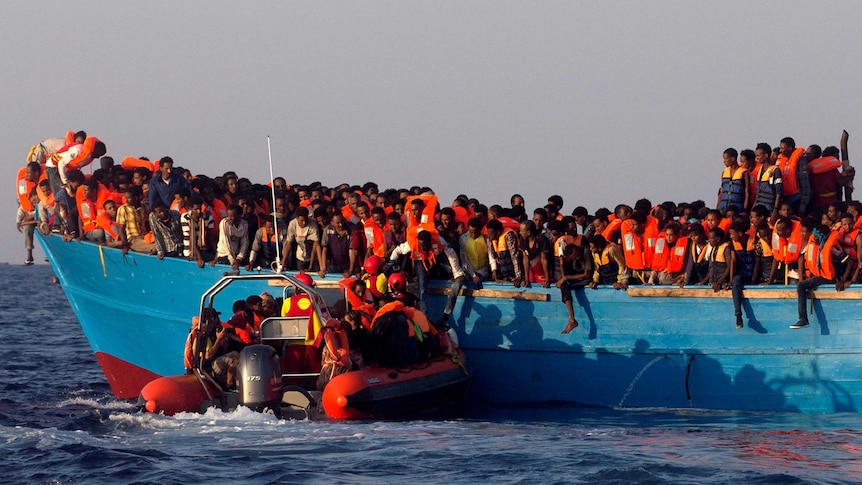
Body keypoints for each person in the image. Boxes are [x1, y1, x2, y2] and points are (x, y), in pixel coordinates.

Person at [389, 228, 466, 326]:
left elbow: (451, 254)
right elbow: (397, 251)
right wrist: (391, 263)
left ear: (430, 242)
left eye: (425, 245)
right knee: (422, 288)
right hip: (420, 259)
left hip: (437, 257)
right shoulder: (411, 244)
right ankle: (425, 318)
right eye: (421, 245)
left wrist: (457, 273)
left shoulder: (439, 241)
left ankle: (443, 316)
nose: (423, 247)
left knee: (451, 276)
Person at [791, 224, 856, 329]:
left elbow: (849, 261)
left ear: (822, 236)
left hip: (831, 278)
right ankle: (803, 319)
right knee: (803, 285)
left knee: (801, 285)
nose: (814, 239)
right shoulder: (820, 245)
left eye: (816, 237)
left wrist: (843, 280)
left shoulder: (832, 247)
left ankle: (803, 319)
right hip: (823, 276)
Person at [558, 237, 593, 333]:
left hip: (587, 278)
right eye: (574, 257)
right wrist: (561, 264)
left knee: (565, 282)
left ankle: (573, 320)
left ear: (577, 250)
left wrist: (565, 278)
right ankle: (572, 319)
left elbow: (587, 275)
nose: (577, 258)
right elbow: (563, 266)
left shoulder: (585, 252)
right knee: (564, 285)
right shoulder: (570, 258)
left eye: (577, 255)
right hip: (578, 278)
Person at [728, 221, 756, 328]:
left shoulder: (754, 240)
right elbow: (733, 261)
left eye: (732, 234)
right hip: (741, 274)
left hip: (754, 273)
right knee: (735, 282)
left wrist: (754, 277)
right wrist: (731, 279)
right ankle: (738, 314)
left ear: (740, 234)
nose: (731, 236)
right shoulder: (732, 243)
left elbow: (758, 260)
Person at [485, 218, 525, 287]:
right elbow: (492, 257)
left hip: (513, 274)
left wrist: (518, 277)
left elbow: (514, 256)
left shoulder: (508, 236)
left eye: (491, 234)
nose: (489, 236)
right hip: (503, 275)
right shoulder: (491, 240)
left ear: (497, 232)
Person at [117, 186, 156, 255]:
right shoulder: (123, 209)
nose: (126, 200)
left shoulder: (145, 207)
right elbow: (121, 229)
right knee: (156, 247)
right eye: (126, 198)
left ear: (137, 197)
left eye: (129, 198)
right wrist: (124, 244)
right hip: (132, 239)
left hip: (145, 236)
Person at [281, 206, 321, 271]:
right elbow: (289, 244)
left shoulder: (313, 225)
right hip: (300, 257)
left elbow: (316, 246)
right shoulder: (292, 224)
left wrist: (311, 267)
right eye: (301, 221)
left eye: (306, 220)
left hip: (313, 258)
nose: (304, 223)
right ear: (296, 218)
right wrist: (283, 263)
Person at [181, 195, 217, 267]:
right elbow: (192, 239)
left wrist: (217, 253)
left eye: (200, 208)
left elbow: (210, 236)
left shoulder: (207, 216)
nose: (199, 211)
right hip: (190, 252)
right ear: (190, 209)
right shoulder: (185, 217)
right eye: (196, 209)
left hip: (204, 250)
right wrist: (199, 258)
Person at [215, 204, 249, 270]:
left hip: (236, 254)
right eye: (228, 216)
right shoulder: (224, 223)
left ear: (239, 216)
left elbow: (245, 242)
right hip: (224, 255)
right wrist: (232, 261)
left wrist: (239, 258)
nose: (229, 218)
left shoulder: (245, 224)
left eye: (232, 216)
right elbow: (226, 243)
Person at [459, 217, 490, 289]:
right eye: (471, 232)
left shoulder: (486, 239)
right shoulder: (463, 239)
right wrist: (473, 275)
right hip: (468, 271)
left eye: (475, 232)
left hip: (482, 272)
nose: (473, 235)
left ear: (480, 230)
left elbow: (491, 256)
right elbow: (464, 259)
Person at [753, 142, 782, 217]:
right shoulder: (760, 170)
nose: (757, 158)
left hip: (770, 209)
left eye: (758, 155)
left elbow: (778, 193)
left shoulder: (775, 171)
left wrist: (775, 211)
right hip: (759, 208)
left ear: (766, 155)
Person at [717, 148, 750, 212]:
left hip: (737, 208)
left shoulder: (744, 173)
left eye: (726, 159)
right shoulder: (724, 172)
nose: (724, 161)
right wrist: (717, 209)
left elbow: (747, 193)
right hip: (723, 208)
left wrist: (745, 210)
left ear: (732, 159)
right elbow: (721, 192)